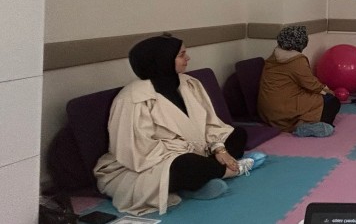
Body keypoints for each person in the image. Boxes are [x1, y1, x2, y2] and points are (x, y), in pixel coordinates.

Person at [94, 34, 264, 216]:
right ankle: (230, 169)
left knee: (238, 134)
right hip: (157, 161)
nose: (188, 58)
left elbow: (209, 123)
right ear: (163, 60)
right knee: (187, 165)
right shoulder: (133, 98)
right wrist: (187, 150)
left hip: (201, 148)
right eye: (182, 55)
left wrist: (219, 148)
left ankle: (203, 177)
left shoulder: (189, 83)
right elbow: (138, 150)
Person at [258, 26, 341, 137]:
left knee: (319, 99)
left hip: (267, 111)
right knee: (332, 102)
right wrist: (327, 90)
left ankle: (305, 122)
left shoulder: (274, 55)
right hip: (284, 108)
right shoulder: (296, 60)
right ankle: (306, 126)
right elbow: (311, 84)